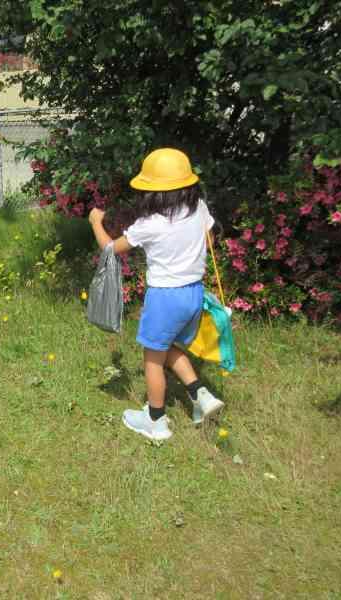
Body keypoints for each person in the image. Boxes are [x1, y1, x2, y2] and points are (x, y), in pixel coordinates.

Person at [88, 148, 225, 441]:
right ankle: (200, 395)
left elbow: (110, 249)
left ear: (151, 192)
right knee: (167, 346)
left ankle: (155, 420)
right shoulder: (199, 208)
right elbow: (209, 239)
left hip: (165, 297)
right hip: (194, 293)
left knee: (152, 358)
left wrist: (96, 223)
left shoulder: (150, 224)